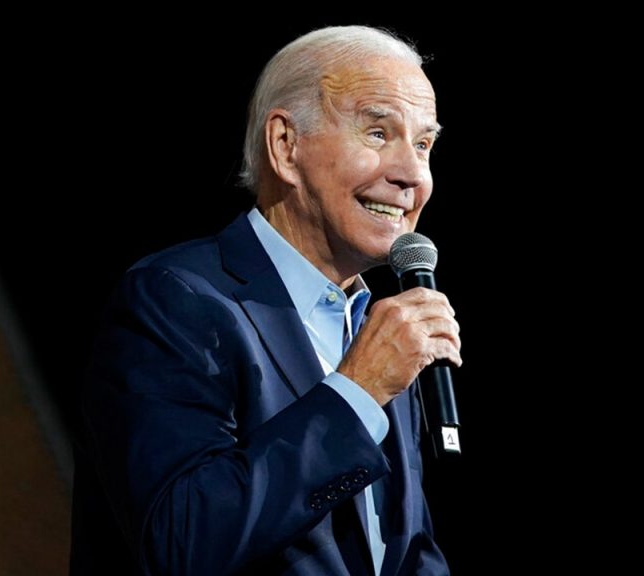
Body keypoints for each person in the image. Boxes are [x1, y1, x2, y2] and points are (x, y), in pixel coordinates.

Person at [69, 25, 460, 576]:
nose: (412, 175)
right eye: (378, 133)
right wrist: (359, 390)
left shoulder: (375, 328)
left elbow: (406, 549)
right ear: (285, 145)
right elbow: (181, 539)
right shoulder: (176, 298)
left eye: (423, 145)